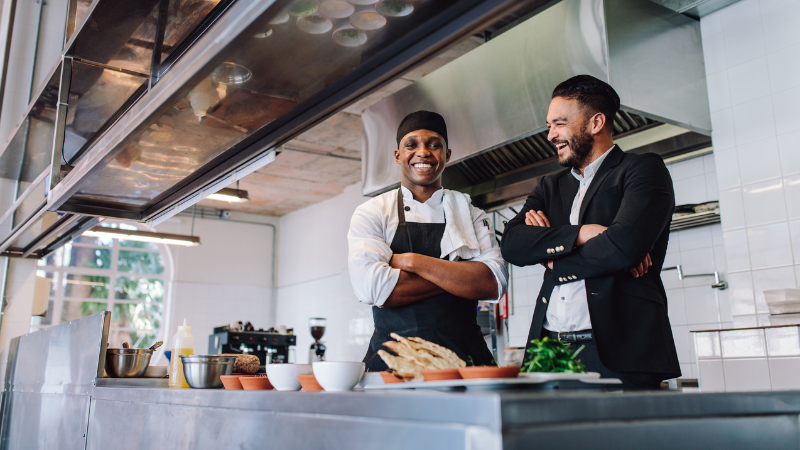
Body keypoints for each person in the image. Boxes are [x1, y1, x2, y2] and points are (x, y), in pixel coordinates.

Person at [500, 75, 680, 389]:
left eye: (559, 124)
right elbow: (513, 245)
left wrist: (550, 258)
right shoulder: (550, 186)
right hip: (551, 351)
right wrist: (581, 234)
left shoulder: (641, 169)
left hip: (619, 351)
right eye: (549, 126)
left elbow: (622, 246)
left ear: (595, 123)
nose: (550, 135)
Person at [348, 110, 508, 371]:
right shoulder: (373, 211)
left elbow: (493, 283)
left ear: (446, 155)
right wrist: (460, 276)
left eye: (434, 145)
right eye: (412, 145)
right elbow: (373, 289)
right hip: (394, 363)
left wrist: (412, 261)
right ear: (398, 156)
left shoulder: (470, 213)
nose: (423, 152)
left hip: (465, 362)